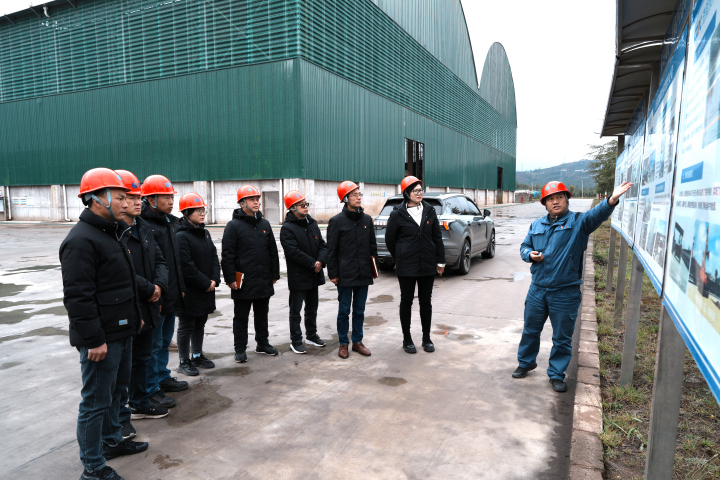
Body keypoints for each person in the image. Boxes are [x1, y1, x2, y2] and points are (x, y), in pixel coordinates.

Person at [59, 168, 148, 480]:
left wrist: (135, 315)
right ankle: (93, 467)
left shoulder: (112, 233)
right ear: (98, 199)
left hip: (122, 330)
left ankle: (111, 441)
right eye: (120, 198)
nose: (126, 203)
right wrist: (94, 339)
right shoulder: (81, 240)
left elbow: (122, 283)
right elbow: (78, 297)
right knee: (96, 402)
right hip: (102, 339)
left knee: (117, 392)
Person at [514, 180, 632, 392]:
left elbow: (597, 214)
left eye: (559, 197)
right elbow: (524, 246)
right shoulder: (536, 225)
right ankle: (525, 363)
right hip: (537, 290)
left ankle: (556, 374)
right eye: (550, 199)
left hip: (565, 292)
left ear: (566, 200)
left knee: (562, 338)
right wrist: (529, 254)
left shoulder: (579, 222)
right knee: (530, 330)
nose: (555, 202)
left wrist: (611, 200)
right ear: (545, 203)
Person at [115, 170, 169, 441]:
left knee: (143, 358)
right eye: (131, 197)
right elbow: (119, 270)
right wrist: (149, 289)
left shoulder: (144, 228)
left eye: (139, 197)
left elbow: (160, 260)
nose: (138, 202)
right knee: (122, 368)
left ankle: (140, 401)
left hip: (150, 302)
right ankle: (119, 417)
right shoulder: (114, 233)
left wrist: (159, 286)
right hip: (128, 305)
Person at [140, 175, 187, 408]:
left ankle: (162, 376)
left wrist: (180, 289)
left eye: (171, 197)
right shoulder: (144, 225)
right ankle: (152, 388)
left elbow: (174, 261)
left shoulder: (169, 222)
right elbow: (149, 265)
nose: (171, 201)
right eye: (165, 197)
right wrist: (155, 293)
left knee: (165, 340)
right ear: (150, 199)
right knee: (154, 344)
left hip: (171, 292)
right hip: (157, 295)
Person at [385, 176, 445, 354]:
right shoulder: (397, 214)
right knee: (406, 302)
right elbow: (390, 240)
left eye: (421, 190)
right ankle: (407, 338)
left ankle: (426, 338)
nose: (419, 193)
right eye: (415, 191)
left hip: (427, 264)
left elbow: (437, 237)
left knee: (426, 302)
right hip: (407, 266)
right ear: (406, 194)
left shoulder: (429, 211)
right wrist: (401, 256)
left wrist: (440, 261)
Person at [221, 185, 281, 363]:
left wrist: (274, 273)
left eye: (257, 199)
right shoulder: (233, 226)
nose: (256, 202)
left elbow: (272, 251)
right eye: (252, 199)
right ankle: (240, 349)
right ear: (242, 203)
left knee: (262, 314)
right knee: (241, 317)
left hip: (263, 278)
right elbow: (227, 255)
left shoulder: (264, 224)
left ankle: (262, 344)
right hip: (243, 280)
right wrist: (230, 278)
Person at [326, 181, 378, 359]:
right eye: (354, 195)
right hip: (345, 274)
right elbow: (331, 251)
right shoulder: (336, 221)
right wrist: (333, 273)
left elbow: (372, 247)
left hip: (363, 273)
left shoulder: (366, 220)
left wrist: (374, 268)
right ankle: (343, 343)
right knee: (344, 311)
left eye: (359, 194)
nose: (358, 198)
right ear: (345, 199)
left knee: (360, 310)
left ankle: (357, 341)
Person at [175, 193, 221, 376]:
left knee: (200, 323)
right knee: (186, 325)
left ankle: (197, 355)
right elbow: (186, 266)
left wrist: (214, 279)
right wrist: (205, 282)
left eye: (203, 210)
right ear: (186, 213)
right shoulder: (181, 236)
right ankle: (183, 361)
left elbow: (214, 258)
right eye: (197, 210)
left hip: (206, 288)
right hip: (190, 290)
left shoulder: (205, 233)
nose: (202, 213)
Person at [279, 190, 328, 354]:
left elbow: (322, 245)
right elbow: (293, 252)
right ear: (292, 208)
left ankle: (311, 335)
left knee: (312, 308)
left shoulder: (312, 224)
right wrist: (313, 263)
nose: (306, 207)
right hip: (299, 276)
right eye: (302, 205)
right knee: (296, 311)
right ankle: (296, 340)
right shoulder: (287, 229)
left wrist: (320, 261)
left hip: (314, 273)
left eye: (306, 204)